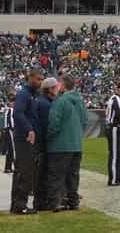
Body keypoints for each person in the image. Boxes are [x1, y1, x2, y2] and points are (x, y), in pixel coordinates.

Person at [46, 75, 88, 212]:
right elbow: (85, 122)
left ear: (62, 86)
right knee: (73, 175)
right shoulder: (80, 101)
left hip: (60, 145)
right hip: (76, 144)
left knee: (57, 175)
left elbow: (54, 123)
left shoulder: (60, 101)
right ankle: (73, 201)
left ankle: (55, 202)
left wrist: (48, 138)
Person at [10, 69, 44, 215]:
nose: (40, 82)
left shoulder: (32, 94)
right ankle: (20, 205)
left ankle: (17, 204)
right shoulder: (24, 94)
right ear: (30, 78)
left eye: (42, 79)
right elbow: (18, 113)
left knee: (23, 171)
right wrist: (29, 129)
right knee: (24, 171)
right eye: (38, 79)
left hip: (28, 137)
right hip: (24, 138)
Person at [33, 78, 58, 210]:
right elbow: (47, 126)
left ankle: (41, 201)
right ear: (49, 89)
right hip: (43, 144)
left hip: (41, 143)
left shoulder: (43, 102)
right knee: (43, 173)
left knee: (42, 173)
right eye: (55, 88)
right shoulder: (45, 104)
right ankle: (41, 202)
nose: (57, 90)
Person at [0, 93, 16, 173]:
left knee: (9, 150)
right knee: (13, 150)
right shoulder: (10, 110)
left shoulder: (6, 110)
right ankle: (15, 166)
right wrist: (14, 128)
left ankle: (8, 167)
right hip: (10, 131)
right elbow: (11, 121)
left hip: (6, 131)